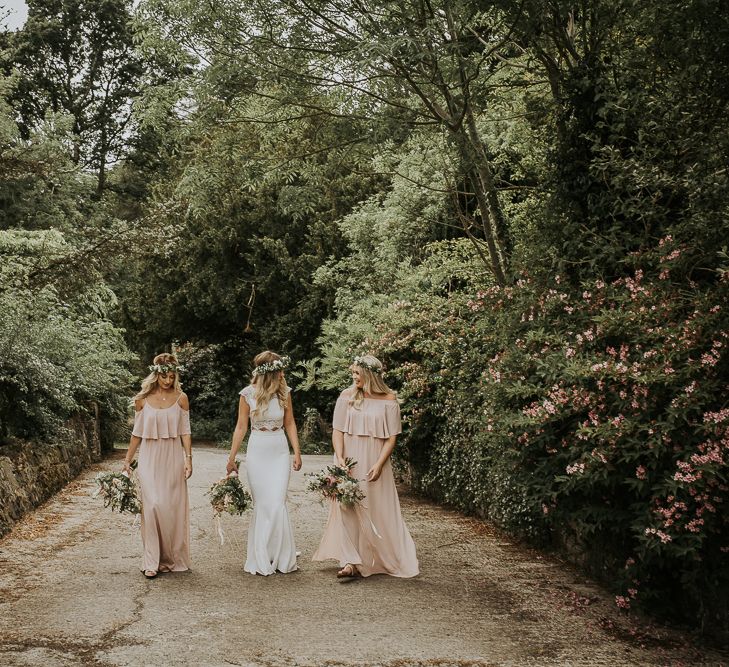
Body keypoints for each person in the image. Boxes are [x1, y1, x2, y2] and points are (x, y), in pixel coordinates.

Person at [312, 354, 419, 578]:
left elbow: (391, 438)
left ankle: (375, 556)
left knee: (375, 507)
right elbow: (338, 430)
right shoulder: (346, 396)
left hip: (374, 461)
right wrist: (339, 458)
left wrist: (380, 465)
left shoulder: (389, 400)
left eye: (357, 373)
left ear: (370, 375)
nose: (353, 377)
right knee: (346, 506)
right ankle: (350, 560)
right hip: (348, 460)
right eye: (352, 373)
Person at [226, 351, 303, 575]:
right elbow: (241, 427)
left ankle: (281, 555)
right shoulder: (247, 394)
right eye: (280, 369)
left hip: (278, 449)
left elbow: (290, 424)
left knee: (277, 501)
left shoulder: (285, 393)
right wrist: (231, 458)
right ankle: (262, 554)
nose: (283, 373)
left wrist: (296, 452)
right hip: (257, 449)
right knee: (263, 503)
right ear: (270, 371)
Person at [123, 353, 192, 579]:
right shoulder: (142, 400)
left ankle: (170, 557)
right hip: (149, 458)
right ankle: (151, 560)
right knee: (152, 505)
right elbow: (136, 434)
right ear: (156, 375)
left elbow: (185, 431)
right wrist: (127, 460)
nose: (168, 381)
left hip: (172, 457)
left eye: (172, 377)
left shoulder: (181, 398)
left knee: (170, 509)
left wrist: (188, 458)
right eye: (164, 377)